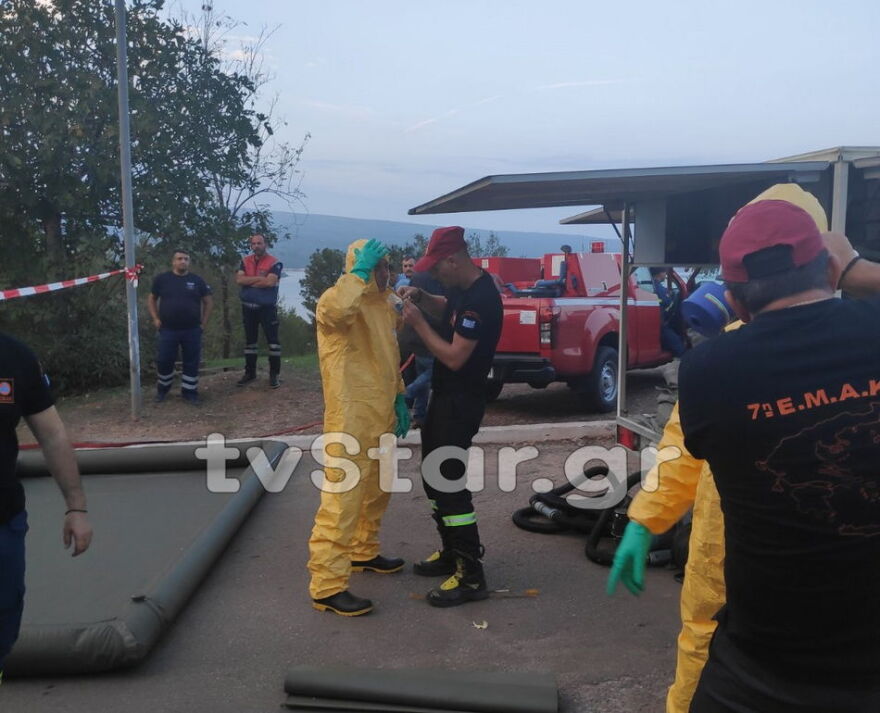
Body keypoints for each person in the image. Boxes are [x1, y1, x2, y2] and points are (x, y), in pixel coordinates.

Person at [608, 183, 830, 713]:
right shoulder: (723, 356)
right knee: (704, 651)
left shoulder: (849, 344)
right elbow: (684, 446)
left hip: (814, 566)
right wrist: (647, 519)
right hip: (725, 552)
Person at [676, 199, 880, 712]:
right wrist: (857, 272)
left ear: (735, 303)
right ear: (830, 268)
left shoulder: (708, 372)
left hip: (764, 672)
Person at [398, 226, 502, 607]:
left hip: (460, 401)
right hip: (444, 398)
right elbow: (449, 306)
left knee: (448, 485)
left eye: (436, 271)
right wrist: (425, 297)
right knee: (433, 477)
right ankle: (452, 553)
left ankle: (471, 575)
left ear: (454, 261)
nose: (434, 277)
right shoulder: (463, 289)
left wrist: (418, 324)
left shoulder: (481, 301)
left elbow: (455, 356)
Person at [307, 238, 410, 617]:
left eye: (386, 265)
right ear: (361, 266)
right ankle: (327, 585)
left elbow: (389, 356)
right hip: (350, 417)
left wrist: (399, 397)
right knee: (342, 500)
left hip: (380, 413)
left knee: (378, 488)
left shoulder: (383, 306)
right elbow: (337, 313)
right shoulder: (335, 299)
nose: (386, 272)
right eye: (378, 266)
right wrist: (358, 272)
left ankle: (364, 551)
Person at [0, 333, 93, 681]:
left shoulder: (15, 357)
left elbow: (52, 435)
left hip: (3, 518)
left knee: (5, 616)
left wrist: (76, 508)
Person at [147, 249, 213, 404]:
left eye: (186, 259)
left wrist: (203, 323)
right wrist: (155, 318)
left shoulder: (197, 280)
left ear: (189, 262)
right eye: (179, 259)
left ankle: (190, 393)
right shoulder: (162, 279)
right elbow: (151, 299)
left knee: (191, 361)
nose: (183, 261)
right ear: (173, 261)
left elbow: (208, 302)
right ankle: (163, 390)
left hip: (192, 330)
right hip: (168, 330)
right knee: (164, 360)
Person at [235, 234, 283, 389]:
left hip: (267, 308)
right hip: (248, 307)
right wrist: (259, 280)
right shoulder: (245, 261)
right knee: (250, 342)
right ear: (251, 246)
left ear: (265, 244)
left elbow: (270, 282)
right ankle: (250, 373)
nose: (256, 246)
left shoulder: (274, 262)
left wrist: (250, 280)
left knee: (273, 343)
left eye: (259, 243)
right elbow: (239, 280)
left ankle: (274, 375)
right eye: (253, 244)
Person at [399, 270, 445, 428]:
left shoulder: (417, 279)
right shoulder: (437, 280)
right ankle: (407, 393)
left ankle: (419, 415)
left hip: (413, 339)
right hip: (427, 339)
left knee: (423, 377)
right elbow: (437, 313)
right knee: (436, 371)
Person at [650, 267, 686, 358]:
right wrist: (673, 296)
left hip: (656, 323)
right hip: (661, 326)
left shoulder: (651, 285)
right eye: (664, 272)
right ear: (659, 273)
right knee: (678, 345)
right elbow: (669, 302)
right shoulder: (658, 288)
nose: (666, 274)